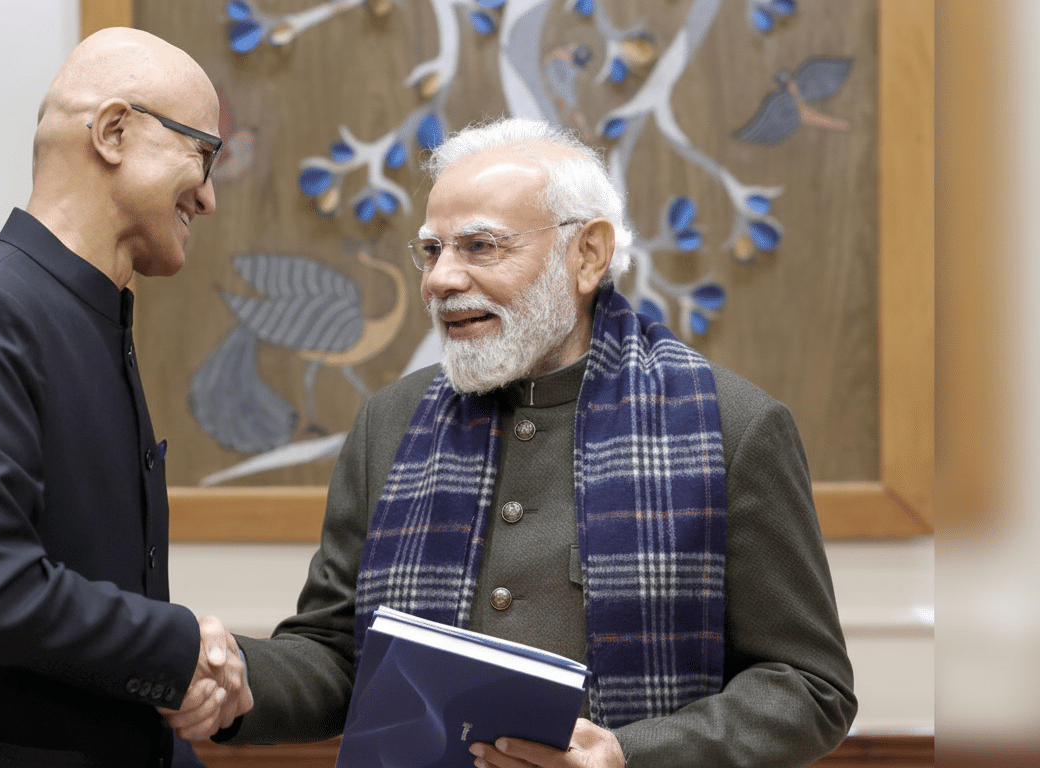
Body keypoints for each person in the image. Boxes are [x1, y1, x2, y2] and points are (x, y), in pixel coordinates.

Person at [171, 117, 857, 766]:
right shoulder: (390, 423)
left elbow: (808, 686)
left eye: (480, 246)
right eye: (433, 250)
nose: (441, 278)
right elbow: (336, 653)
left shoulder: (734, 427)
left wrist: (630, 754)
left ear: (587, 254)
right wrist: (239, 677)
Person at [0, 27, 250, 768]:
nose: (206, 197)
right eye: (203, 153)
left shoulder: (94, 317)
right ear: (112, 132)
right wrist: (179, 649)